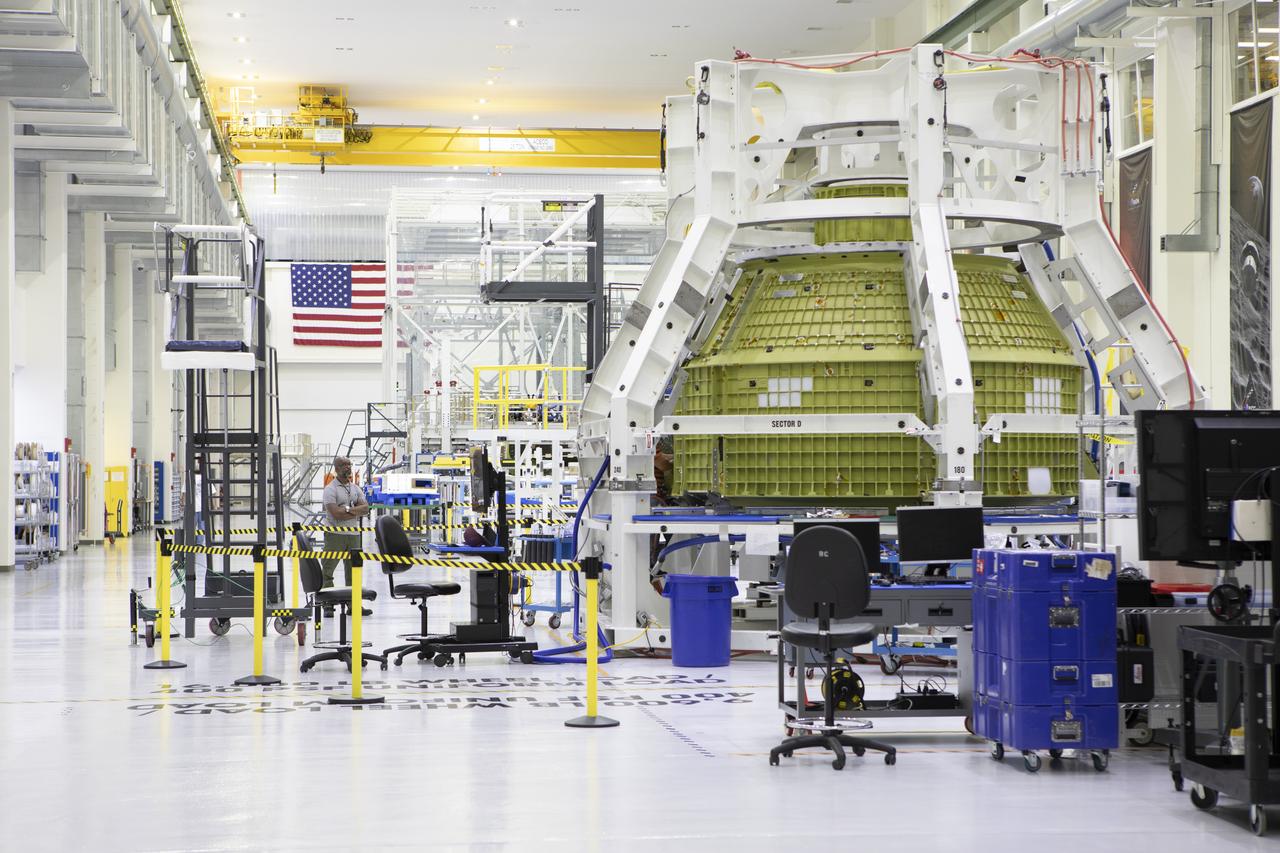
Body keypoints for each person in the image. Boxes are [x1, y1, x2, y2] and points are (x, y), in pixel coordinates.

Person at [321, 456, 370, 615]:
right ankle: (328, 604)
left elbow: (366, 509)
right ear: (336, 468)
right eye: (343, 465)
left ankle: (353, 605)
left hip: (353, 535)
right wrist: (353, 511)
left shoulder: (355, 488)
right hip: (334, 535)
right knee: (328, 570)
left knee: (353, 571)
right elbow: (335, 514)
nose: (347, 467)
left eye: (349, 464)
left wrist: (347, 510)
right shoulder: (330, 489)